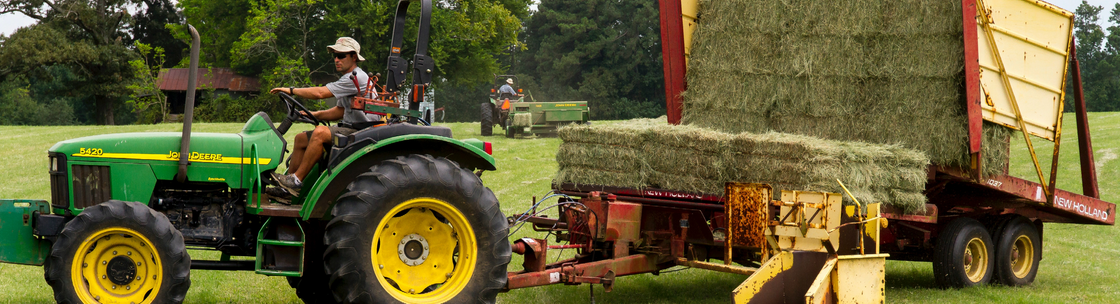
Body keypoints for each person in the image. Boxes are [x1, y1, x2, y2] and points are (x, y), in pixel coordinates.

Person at [266, 37, 379, 200]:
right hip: (352, 126)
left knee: (320, 133)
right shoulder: (349, 78)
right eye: (335, 56)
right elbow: (339, 111)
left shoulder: (355, 77)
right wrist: (312, 114)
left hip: (362, 130)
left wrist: (291, 90)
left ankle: (296, 180)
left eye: (341, 56)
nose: (336, 59)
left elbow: (320, 93)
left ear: (354, 57)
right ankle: (286, 189)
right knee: (300, 139)